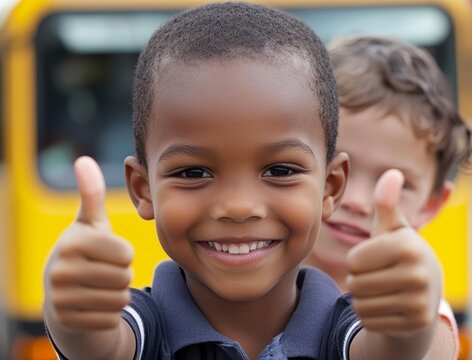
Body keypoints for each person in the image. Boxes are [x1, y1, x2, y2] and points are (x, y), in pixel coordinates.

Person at [43, 3, 443, 359]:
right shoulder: (144, 325)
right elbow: (97, 342)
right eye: (193, 173)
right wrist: (73, 307)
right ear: (143, 189)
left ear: (330, 187)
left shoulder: (343, 328)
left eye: (280, 171)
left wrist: (411, 317)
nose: (237, 206)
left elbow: (388, 346)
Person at [304, 36, 472, 359]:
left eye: (396, 184)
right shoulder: (251, 275)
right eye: (336, 169)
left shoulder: (414, 306)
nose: (356, 200)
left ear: (431, 204)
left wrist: (411, 330)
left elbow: (426, 345)